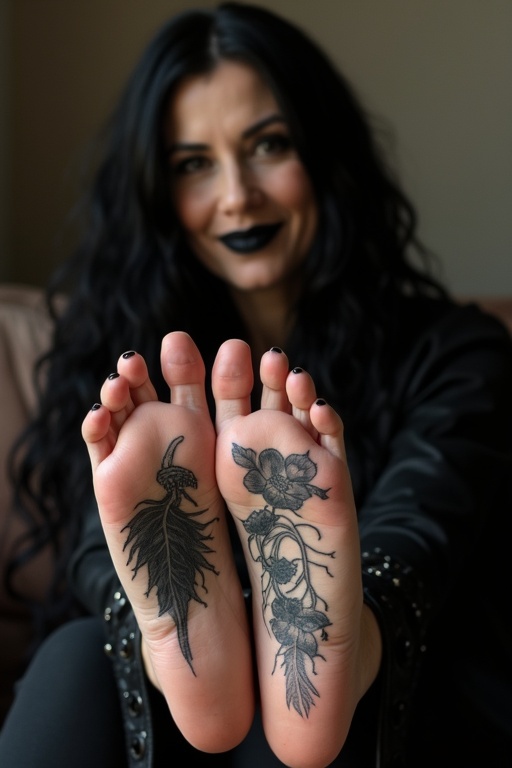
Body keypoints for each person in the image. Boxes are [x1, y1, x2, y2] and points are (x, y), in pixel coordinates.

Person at [1, 2, 511, 766]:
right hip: (172, 711)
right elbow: (93, 541)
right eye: (193, 163)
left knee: (301, 707)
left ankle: (338, 646)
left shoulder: (455, 352)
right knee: (75, 658)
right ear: (155, 191)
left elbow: (428, 521)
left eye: (267, 145)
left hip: (403, 703)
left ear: (325, 151)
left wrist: (355, 615)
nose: (237, 194)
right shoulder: (129, 372)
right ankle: (185, 648)